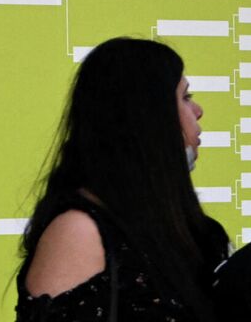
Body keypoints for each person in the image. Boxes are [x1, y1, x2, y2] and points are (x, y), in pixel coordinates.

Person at [16, 37, 229, 322]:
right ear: (148, 117)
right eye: (185, 97)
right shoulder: (79, 231)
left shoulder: (188, 229)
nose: (198, 110)